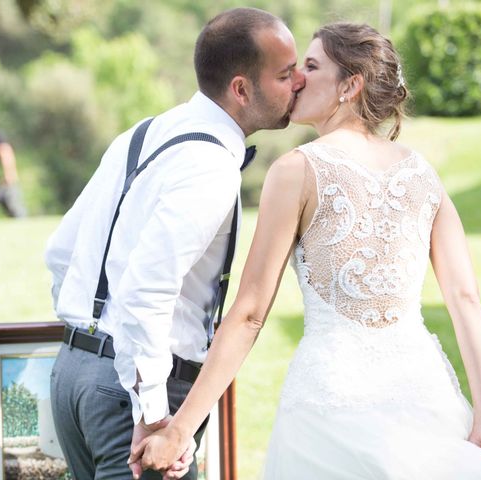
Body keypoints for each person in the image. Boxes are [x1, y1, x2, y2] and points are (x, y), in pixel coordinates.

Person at [130, 23, 481, 479]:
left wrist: (179, 429)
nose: (298, 79)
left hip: (329, 404)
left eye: (310, 66)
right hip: (425, 394)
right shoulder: (423, 174)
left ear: (350, 85)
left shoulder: (296, 171)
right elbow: (466, 297)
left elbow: (250, 312)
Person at [44, 7, 304, 480]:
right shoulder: (209, 166)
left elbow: (61, 251)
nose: (299, 83)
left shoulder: (142, 133)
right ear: (242, 89)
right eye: (286, 75)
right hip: (130, 397)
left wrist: (89, 339)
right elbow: (147, 289)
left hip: (72, 375)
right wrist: (153, 415)